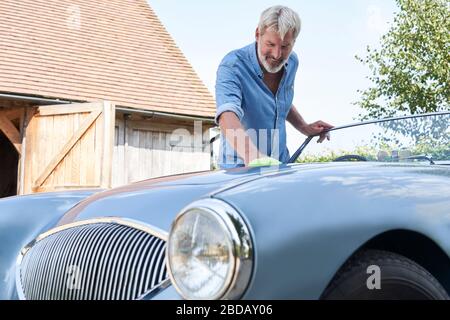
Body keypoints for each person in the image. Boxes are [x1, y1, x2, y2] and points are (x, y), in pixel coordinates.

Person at [215, 5, 333, 169]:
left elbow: (280, 100)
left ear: (294, 42)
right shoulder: (233, 65)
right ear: (258, 34)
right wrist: (252, 155)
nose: (277, 55)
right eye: (270, 44)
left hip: (280, 164)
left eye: (285, 47)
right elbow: (227, 113)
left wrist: (304, 127)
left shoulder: (292, 62)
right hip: (241, 169)